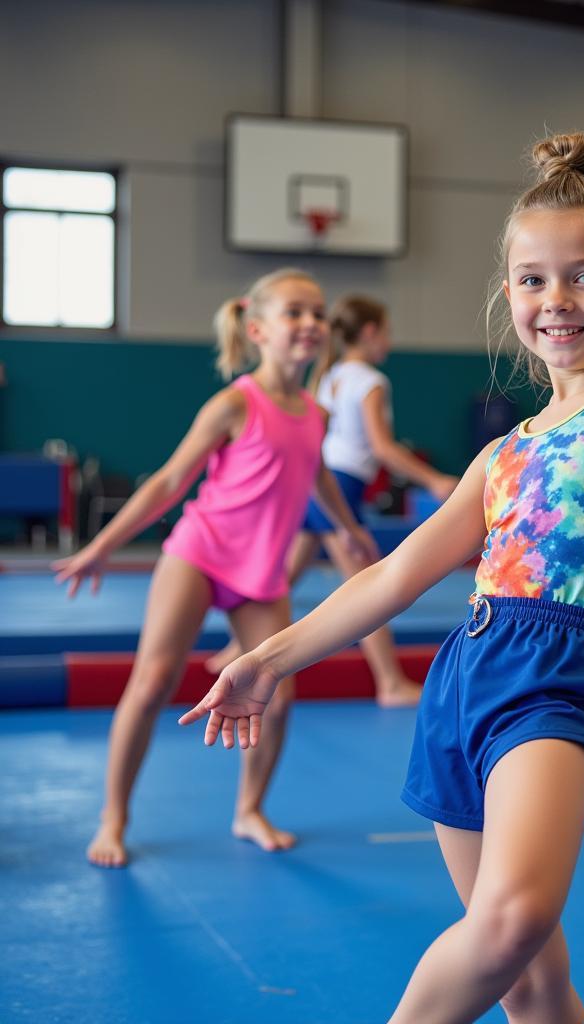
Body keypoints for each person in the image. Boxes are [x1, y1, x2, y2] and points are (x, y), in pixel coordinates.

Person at [180, 133, 584, 1022]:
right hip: (467, 677)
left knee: (510, 922)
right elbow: (392, 576)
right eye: (534, 279)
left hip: (558, 679)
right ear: (510, 294)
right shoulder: (504, 453)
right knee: (532, 981)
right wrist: (270, 659)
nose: (558, 300)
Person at [54, 268, 375, 868]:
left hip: (260, 572)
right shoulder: (234, 403)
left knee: (276, 697)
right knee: (150, 684)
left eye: (317, 313)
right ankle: (115, 815)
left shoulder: (315, 413)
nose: (311, 324)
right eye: (294, 313)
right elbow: (170, 482)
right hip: (199, 553)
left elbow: (318, 474)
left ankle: (249, 809)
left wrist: (349, 529)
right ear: (257, 329)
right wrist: (103, 545)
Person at [205, 295, 458, 707]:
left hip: (316, 477)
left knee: (285, 574)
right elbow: (383, 447)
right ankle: (390, 682)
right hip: (338, 484)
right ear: (371, 333)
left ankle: (243, 642)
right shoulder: (371, 381)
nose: (389, 343)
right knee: (366, 589)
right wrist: (433, 479)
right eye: (387, 333)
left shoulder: (329, 374)